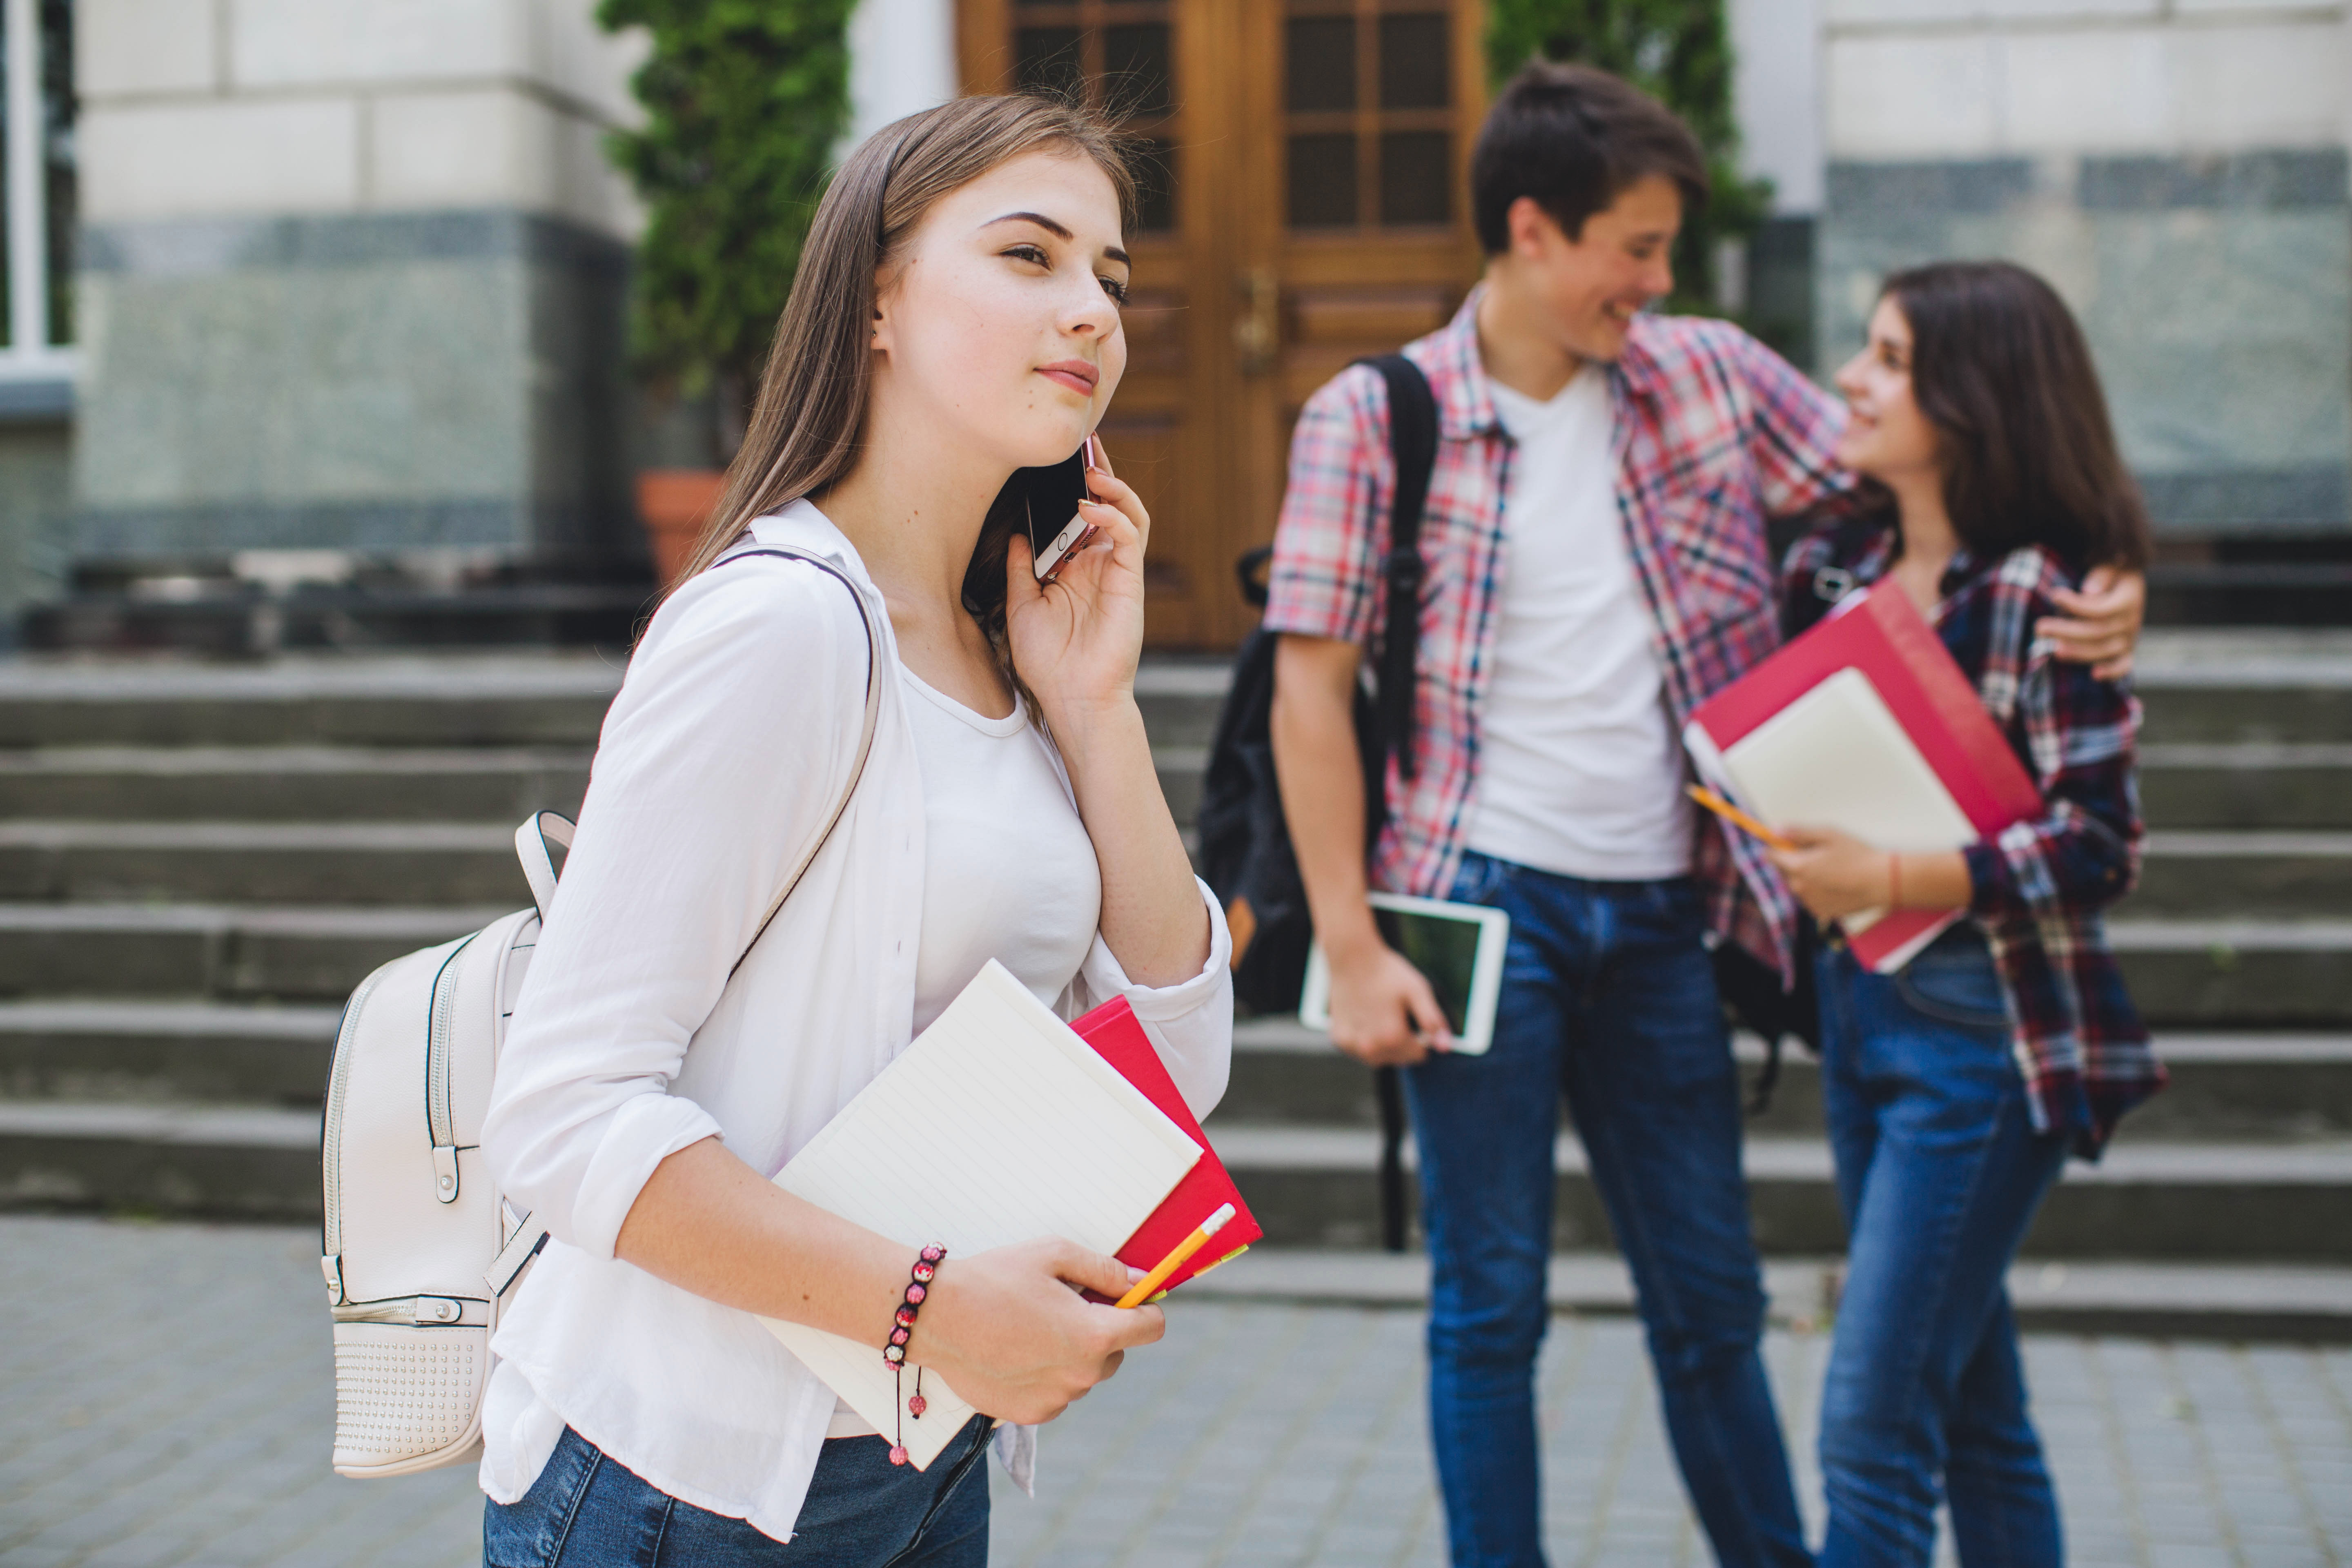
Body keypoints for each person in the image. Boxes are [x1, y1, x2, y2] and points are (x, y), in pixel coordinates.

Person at [1263, 63, 2146, 1568]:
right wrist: (1347, 943)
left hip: (1671, 911)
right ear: (1534, 231)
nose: (1659, 284)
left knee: (1712, 1305)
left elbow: (1937, 479)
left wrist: (2108, 582)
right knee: (1491, 1306)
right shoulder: (1377, 416)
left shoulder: (1712, 381)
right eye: (1639, 246)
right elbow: (1308, 692)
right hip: (1472, 906)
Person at [474, 94, 1232, 1566]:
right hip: (687, 1488)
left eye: (1112, 278)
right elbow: (560, 1116)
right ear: (878, 299)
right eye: (1029, 256)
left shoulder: (1005, 651)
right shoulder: (780, 629)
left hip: (918, 1457)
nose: (1089, 311)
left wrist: (1098, 713)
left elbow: (1172, 1076)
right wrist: (933, 1305)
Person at [1770, 261, 2165, 1568]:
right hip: (1856, 1007)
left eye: (1888, 357)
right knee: (1977, 1415)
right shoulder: (1840, 560)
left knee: (1871, 1428)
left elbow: (2099, 843)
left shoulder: (2045, 595)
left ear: (1972, 397)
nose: (1852, 377)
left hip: (1984, 1039)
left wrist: (1892, 875)